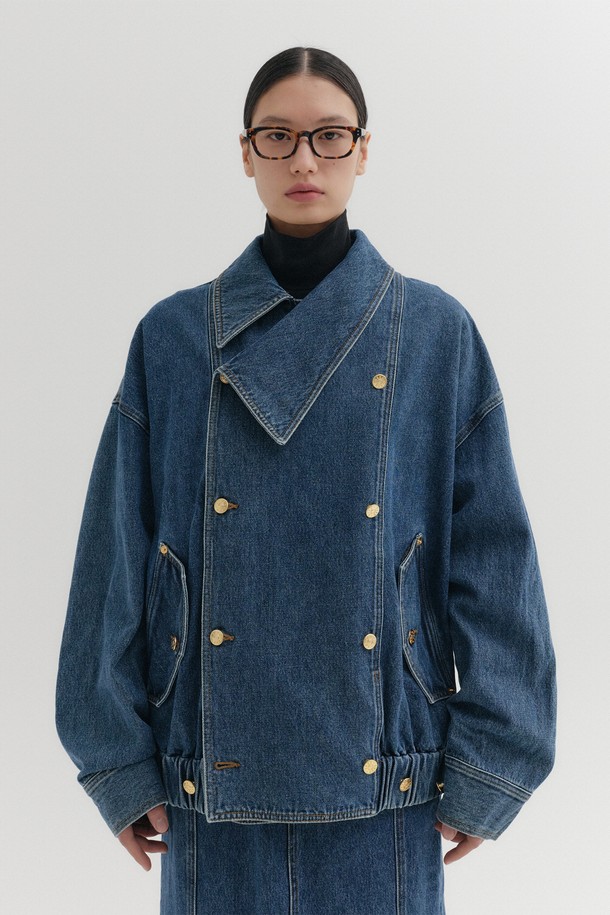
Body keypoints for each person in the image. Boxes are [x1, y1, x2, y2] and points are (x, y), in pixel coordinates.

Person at [55, 46, 557, 914]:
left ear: (363, 150)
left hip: (389, 784)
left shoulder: (435, 332)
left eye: (329, 135)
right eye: (278, 136)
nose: (304, 160)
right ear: (245, 152)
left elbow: (493, 558)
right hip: (207, 784)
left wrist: (493, 762)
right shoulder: (172, 336)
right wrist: (116, 758)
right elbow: (116, 554)